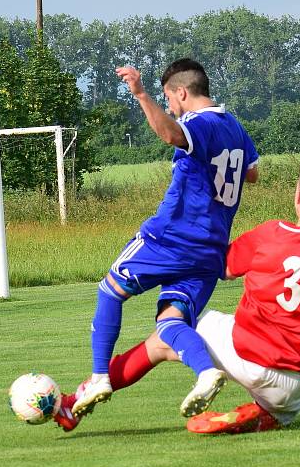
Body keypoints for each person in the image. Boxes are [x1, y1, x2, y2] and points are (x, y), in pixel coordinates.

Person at [56, 153, 300, 433]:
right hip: (297, 387)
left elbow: (218, 267)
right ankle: (266, 415)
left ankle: (78, 399)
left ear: (298, 197)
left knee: (166, 336)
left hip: (251, 357)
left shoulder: (268, 236)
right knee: (282, 405)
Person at [73, 58, 260, 420]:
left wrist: (141, 94)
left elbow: (172, 134)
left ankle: (99, 376)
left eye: (168, 98)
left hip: (171, 237)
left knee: (110, 290)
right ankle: (206, 372)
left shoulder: (197, 122)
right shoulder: (234, 126)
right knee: (171, 321)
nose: (170, 106)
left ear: (182, 93)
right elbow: (251, 174)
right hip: (211, 250)